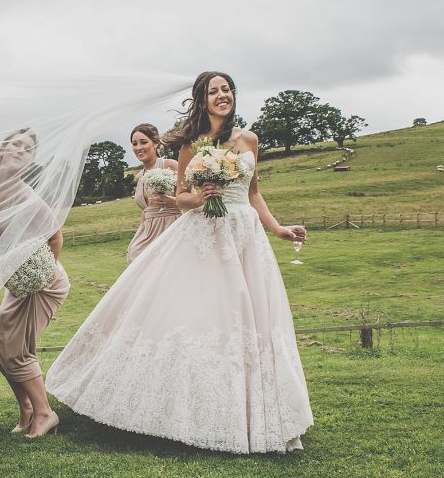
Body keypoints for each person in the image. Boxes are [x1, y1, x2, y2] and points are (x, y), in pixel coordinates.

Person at [46, 72, 313, 453]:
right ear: (202, 100)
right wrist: (205, 194)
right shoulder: (191, 145)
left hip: (245, 236)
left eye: (226, 90)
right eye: (213, 91)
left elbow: (254, 193)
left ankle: (255, 413)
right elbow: (181, 199)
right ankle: (177, 411)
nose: (222, 96)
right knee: (199, 315)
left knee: (252, 318)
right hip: (204, 235)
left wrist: (279, 228)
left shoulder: (250, 140)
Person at [0, 127, 69, 438]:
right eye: (15, 145)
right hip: (19, 283)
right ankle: (27, 407)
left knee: (16, 349)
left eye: (28, 149)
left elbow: (56, 237)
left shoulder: (26, 197)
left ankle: (45, 413)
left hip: (42, 281)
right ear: (1, 152)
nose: (21, 150)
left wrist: (38, 278)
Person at [125, 123, 181, 264]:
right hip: (148, 231)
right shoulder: (139, 176)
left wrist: (174, 201)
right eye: (134, 144)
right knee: (135, 258)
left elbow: (193, 196)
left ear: (155, 143)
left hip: (170, 226)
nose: (138, 148)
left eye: (143, 142)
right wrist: (139, 236)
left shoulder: (170, 165)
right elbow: (146, 211)